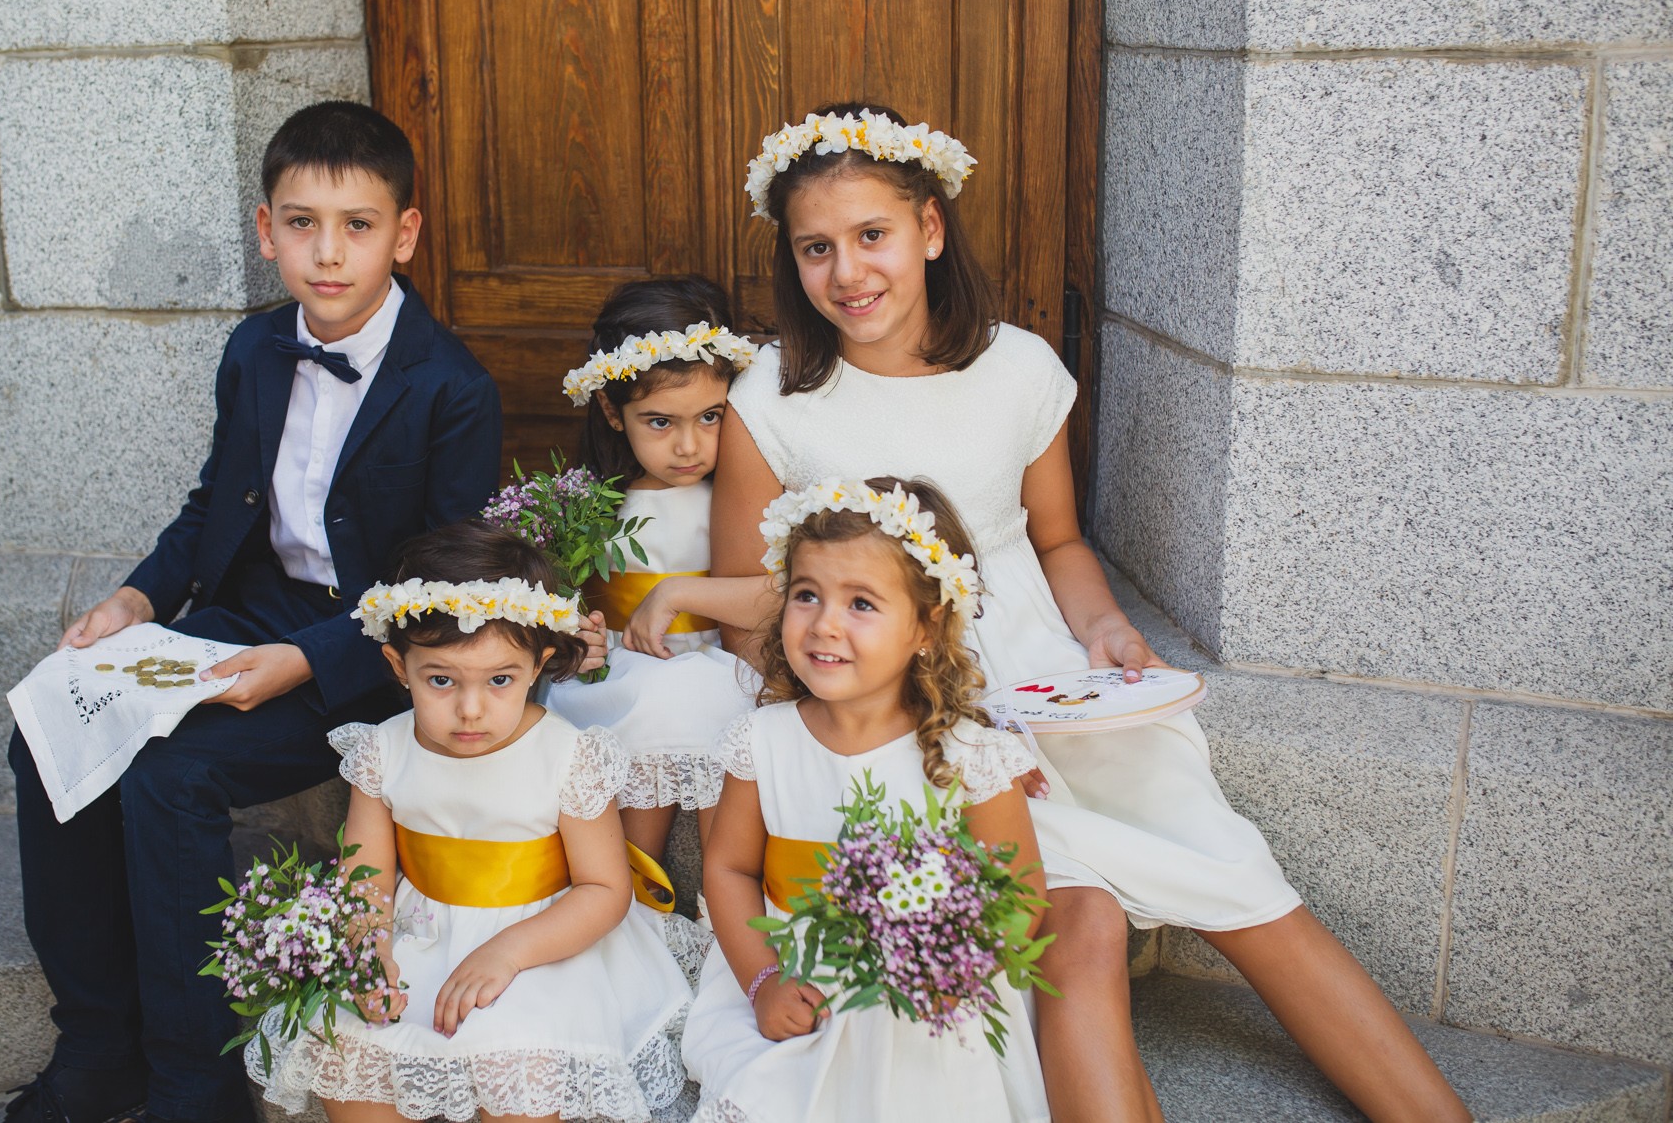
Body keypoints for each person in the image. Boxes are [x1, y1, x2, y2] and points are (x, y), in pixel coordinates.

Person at [704, 105, 1470, 1122]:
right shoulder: (774, 394)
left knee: (1227, 862)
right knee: (1081, 918)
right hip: (896, 701)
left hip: (1038, 670)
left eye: (870, 235)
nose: (846, 271)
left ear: (929, 228)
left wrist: (1102, 631)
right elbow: (754, 598)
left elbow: (1056, 539)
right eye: (815, 248)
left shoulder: (1016, 367)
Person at [5, 101, 505, 1123]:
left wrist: (307, 661)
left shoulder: (451, 384)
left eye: (357, 225)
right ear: (266, 227)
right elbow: (211, 507)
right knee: (45, 724)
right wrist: (138, 596)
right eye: (301, 222)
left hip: (367, 651)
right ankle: (99, 1043)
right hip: (242, 613)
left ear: (403, 233)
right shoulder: (253, 349)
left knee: (169, 777)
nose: (327, 252)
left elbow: (448, 587)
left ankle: (196, 1080)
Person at [249, 521, 693, 1123]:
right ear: (397, 665)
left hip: (544, 942)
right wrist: (369, 947)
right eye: (440, 680)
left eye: (500, 680)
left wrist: (509, 952)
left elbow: (605, 889)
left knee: (519, 1078)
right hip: (422, 932)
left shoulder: (567, 755)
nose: (470, 708)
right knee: (349, 1070)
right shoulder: (382, 752)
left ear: (536, 667)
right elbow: (366, 879)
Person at [683, 476, 1049, 1122]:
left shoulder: (965, 755)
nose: (825, 623)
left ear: (927, 627)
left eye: (861, 603)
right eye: (806, 594)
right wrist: (763, 981)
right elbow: (729, 868)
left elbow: (1019, 894)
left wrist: (950, 975)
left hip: (923, 990)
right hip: (792, 972)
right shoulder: (762, 741)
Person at [544, 275, 766, 878]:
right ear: (614, 413)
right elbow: (572, 597)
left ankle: (726, 885)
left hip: (719, 662)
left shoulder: (742, 500)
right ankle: (637, 886)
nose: (689, 446)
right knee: (649, 705)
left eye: (710, 417)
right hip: (625, 663)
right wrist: (580, 636)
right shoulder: (593, 506)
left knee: (695, 703)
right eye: (660, 422)